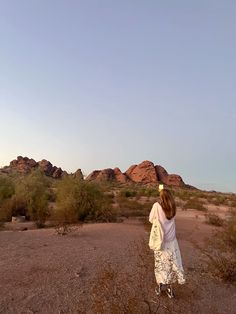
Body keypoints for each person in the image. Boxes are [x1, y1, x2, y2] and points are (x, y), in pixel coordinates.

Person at [149, 187, 185, 298]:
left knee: (160, 264)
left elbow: (151, 219)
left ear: (161, 197)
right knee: (171, 264)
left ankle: (160, 287)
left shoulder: (156, 206)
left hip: (161, 241)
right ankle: (169, 288)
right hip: (172, 241)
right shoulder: (173, 207)